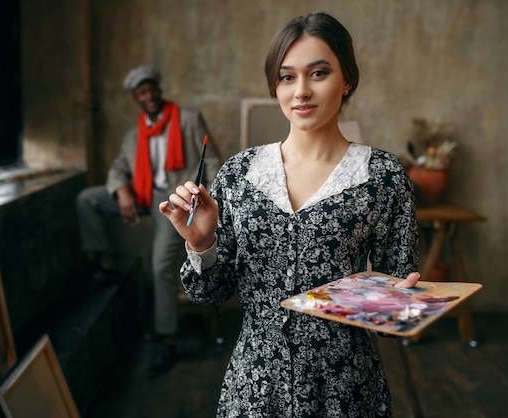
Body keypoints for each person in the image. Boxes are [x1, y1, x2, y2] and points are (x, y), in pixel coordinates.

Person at [159, 12, 420, 417]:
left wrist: (401, 301)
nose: (301, 91)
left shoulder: (382, 176)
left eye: (318, 73)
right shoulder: (239, 174)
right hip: (255, 386)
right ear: (275, 86)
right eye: (286, 77)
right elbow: (210, 293)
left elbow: (393, 297)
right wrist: (201, 242)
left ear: (346, 79)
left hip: (346, 389)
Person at [76, 65, 222, 378]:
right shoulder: (133, 135)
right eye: (142, 92)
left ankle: (167, 339)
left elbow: (211, 161)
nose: (149, 95)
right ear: (136, 99)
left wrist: (206, 198)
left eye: (152, 88)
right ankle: (105, 266)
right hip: (143, 197)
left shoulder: (188, 119)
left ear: (158, 89)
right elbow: (118, 168)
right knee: (87, 200)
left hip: (176, 204)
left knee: (159, 267)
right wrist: (121, 190)